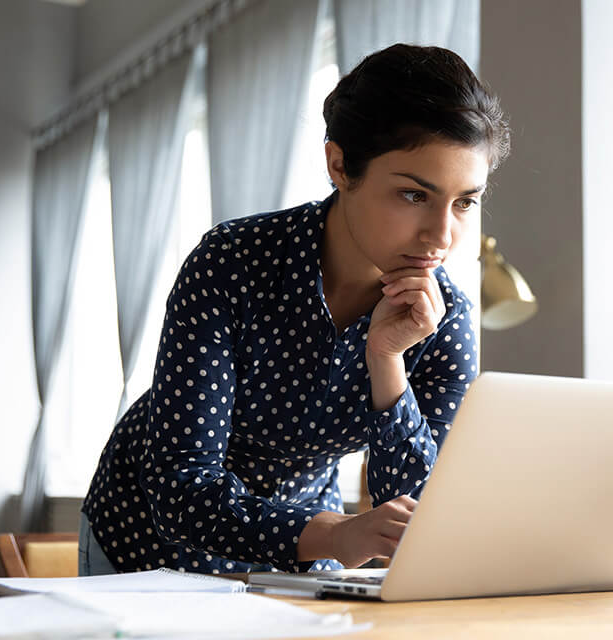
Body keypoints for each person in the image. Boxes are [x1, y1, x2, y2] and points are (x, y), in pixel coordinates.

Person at [80, 43, 511, 575]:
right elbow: (181, 486)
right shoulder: (232, 263)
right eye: (414, 196)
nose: (442, 235)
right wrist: (332, 532)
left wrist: (387, 361)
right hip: (147, 538)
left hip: (310, 543)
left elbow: (417, 514)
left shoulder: (444, 321)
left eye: (465, 201)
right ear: (339, 165)